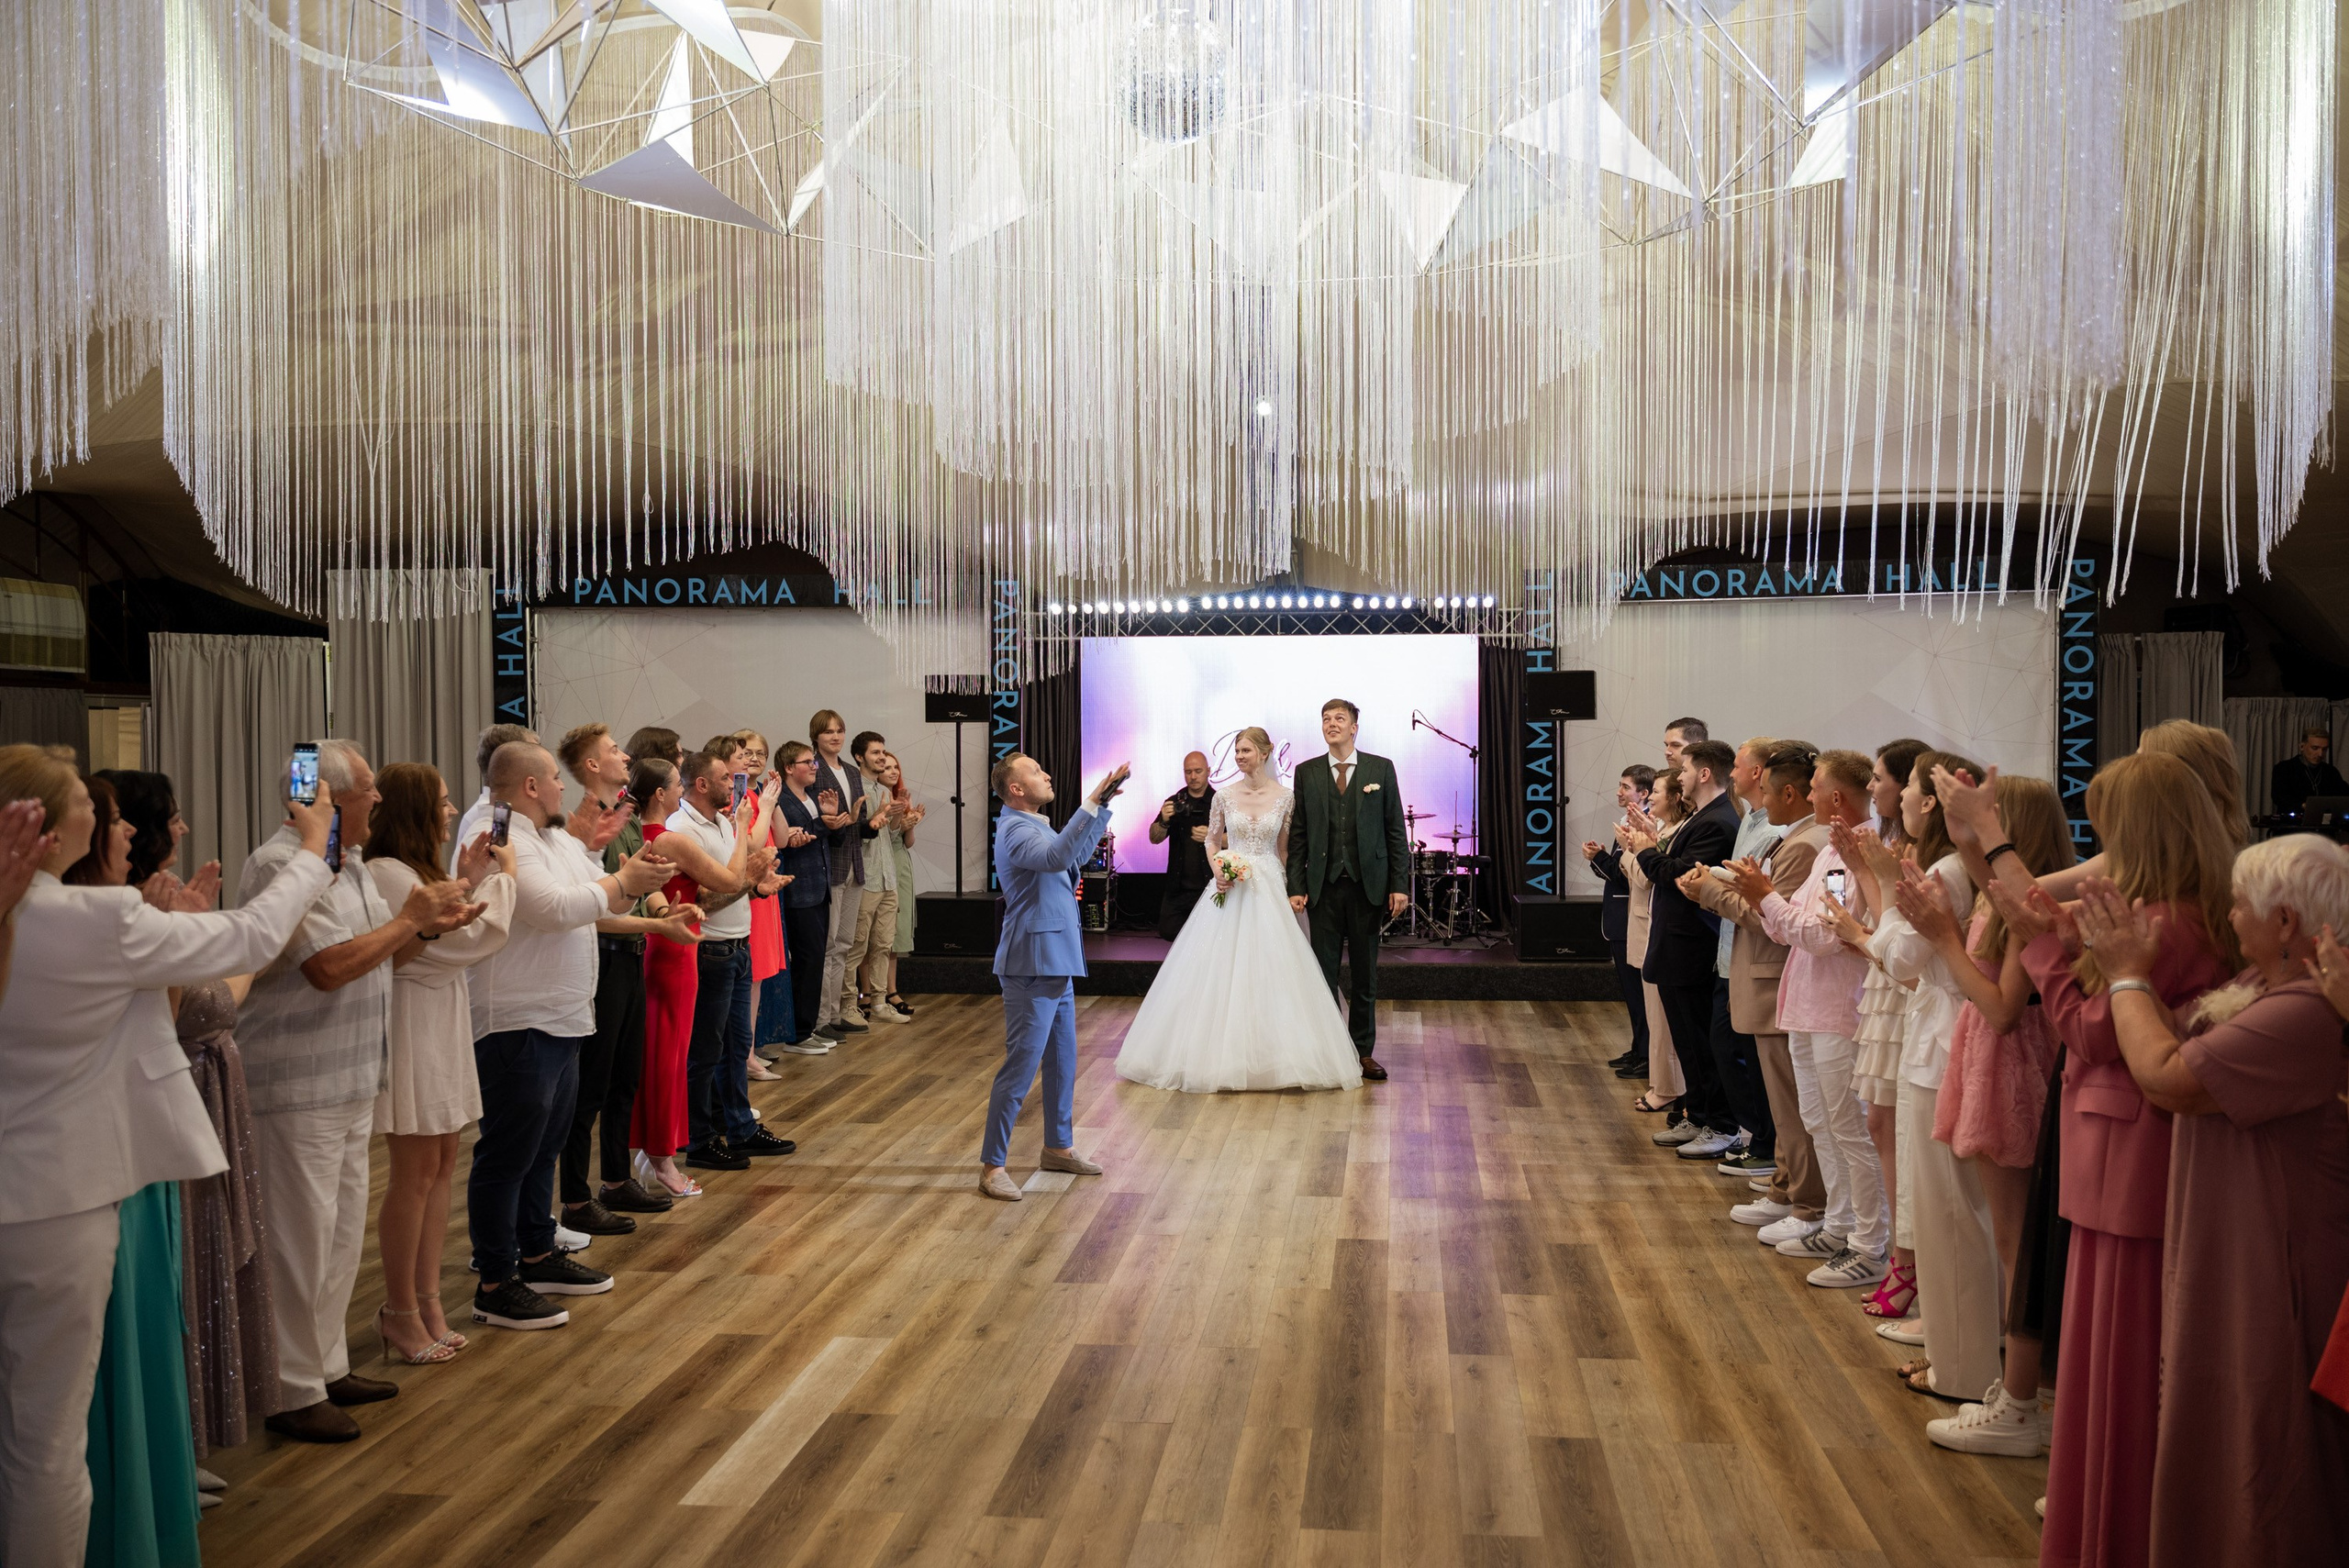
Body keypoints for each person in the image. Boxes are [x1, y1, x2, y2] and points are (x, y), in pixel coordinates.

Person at [0, 745, 333, 1566]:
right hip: (57, 1200)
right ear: (41, 829)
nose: (102, 810)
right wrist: (313, 846)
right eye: (89, 800)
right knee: (45, 1439)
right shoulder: (93, 917)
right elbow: (252, 933)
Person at [1972, 751, 2235, 1568]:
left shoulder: (2171, 922)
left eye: (2109, 824)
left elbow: (2091, 1032)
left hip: (2129, 1157)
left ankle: (2114, 1524)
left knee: (2120, 1359)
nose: (2100, 841)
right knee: (2100, 1358)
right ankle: (2098, 1511)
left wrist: (2041, 948)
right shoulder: (2170, 908)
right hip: (2114, 1154)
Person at [2071, 834, 2349, 1567]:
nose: (2227, 916)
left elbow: (2165, 1075)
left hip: (2271, 1270)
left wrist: (2128, 977)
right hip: (2238, 1253)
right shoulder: (2272, 992)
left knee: (2264, 1443)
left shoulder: (2307, 1010)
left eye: (2239, 903)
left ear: (2285, 922)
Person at [237, 740, 482, 1441]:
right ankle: (290, 1387)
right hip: (296, 1083)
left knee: (340, 1234)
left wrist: (431, 922)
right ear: (328, 799)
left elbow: (386, 954)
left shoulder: (347, 868)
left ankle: (326, 1363)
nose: (377, 798)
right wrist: (410, 920)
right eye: (367, 788)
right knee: (299, 1240)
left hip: (346, 1078)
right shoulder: (283, 864)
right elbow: (326, 967)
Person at [463, 741, 673, 1331]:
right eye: (555, 778)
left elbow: (598, 895)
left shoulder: (550, 836)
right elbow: (553, 908)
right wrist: (623, 882)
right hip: (518, 1017)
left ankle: (536, 1254)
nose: (563, 787)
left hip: (561, 1014)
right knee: (508, 1153)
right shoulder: (496, 832)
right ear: (529, 786)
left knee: (543, 1148)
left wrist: (640, 887)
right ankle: (495, 1278)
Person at [1898, 774, 2073, 1457]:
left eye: (1991, 820)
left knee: (2014, 1245)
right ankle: (2018, 1389)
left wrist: (1942, 938)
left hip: (2007, 1066)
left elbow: (2001, 1007)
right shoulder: (2011, 894)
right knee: (2011, 1240)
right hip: (1989, 1063)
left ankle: (2021, 1396)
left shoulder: (2031, 904)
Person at [1863, 751, 2006, 1400]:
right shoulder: (1949, 865)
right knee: (1949, 1211)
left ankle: (1964, 1369)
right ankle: (1955, 1357)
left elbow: (1900, 957)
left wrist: (1888, 895)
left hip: (1943, 1038)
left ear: (1929, 804)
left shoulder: (1947, 869)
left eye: (1915, 788)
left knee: (1951, 1215)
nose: (1903, 798)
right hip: (1942, 1030)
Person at [362, 763, 516, 1365]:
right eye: (444, 802)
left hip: (440, 1013)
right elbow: (464, 939)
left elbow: (451, 927)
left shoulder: (417, 870)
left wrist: (469, 877)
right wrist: (506, 877)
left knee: (443, 1159)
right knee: (415, 1168)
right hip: (412, 1020)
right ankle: (399, 1308)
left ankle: (426, 1300)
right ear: (414, 810)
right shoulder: (386, 871)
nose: (452, 812)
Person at [1116, 727, 1364, 1094]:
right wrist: (1219, 868)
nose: (1239, 757)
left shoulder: (1285, 797)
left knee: (1276, 967)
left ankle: (1276, 1053)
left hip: (1269, 885)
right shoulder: (1225, 797)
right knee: (1216, 968)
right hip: (1229, 886)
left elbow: (1284, 850)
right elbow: (1213, 840)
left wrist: (1292, 889)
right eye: (1237, 751)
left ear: (1264, 753)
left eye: (1246, 750)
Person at [1730, 749, 1891, 1289]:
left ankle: (1870, 1244)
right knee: (1822, 1123)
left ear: (1836, 797)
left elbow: (1825, 934)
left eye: (1816, 786)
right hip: (1807, 1004)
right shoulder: (1832, 849)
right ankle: (1840, 1224)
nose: (1810, 793)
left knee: (1850, 1129)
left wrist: (1768, 899)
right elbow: (1790, 924)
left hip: (1838, 1010)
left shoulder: (1856, 849)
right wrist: (1772, 901)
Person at [1685, 740, 1829, 1241]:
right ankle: (1788, 1187)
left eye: (1766, 790)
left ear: (1793, 791)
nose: (1762, 801)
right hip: (1764, 977)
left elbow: (1770, 919)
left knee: (1792, 1104)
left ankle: (1808, 1201)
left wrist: (1710, 891)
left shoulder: (1808, 842)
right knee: (1785, 1100)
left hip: (1776, 980)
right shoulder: (1796, 837)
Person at [557, 724, 695, 1229]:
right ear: (592, 766)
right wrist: (653, 916)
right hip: (605, 957)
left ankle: (616, 1179)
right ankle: (574, 1196)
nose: (625, 754)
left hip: (630, 953)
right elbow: (600, 904)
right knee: (590, 1086)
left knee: (623, 1078)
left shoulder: (627, 818)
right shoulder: (584, 825)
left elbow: (643, 884)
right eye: (614, 750)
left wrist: (664, 914)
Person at [979, 752, 1128, 1200]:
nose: (1048, 773)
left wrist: (1100, 808)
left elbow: (1073, 856)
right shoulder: (1015, 829)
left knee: (1062, 1061)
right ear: (1017, 789)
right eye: (1037, 771)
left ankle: (1058, 1148)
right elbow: (1058, 855)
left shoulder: (1037, 825)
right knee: (1021, 1066)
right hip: (1031, 962)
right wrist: (1088, 803)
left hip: (1055, 959)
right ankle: (992, 1166)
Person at [664, 746, 787, 1172]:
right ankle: (700, 1139)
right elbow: (703, 900)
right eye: (724, 779)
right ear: (701, 784)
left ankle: (739, 1127)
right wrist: (747, 880)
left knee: (735, 1048)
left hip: (737, 944)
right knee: (706, 1052)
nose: (734, 785)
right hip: (711, 949)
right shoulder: (682, 829)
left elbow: (733, 886)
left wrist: (756, 888)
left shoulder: (722, 820)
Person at [1286, 698, 1411, 1080]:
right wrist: (1295, 883)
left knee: (1364, 976)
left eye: (1339, 718)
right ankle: (1325, 1051)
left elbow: (1395, 832)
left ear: (1354, 727)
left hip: (1367, 889)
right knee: (1322, 974)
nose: (1331, 724)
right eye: (1325, 719)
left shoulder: (1380, 769)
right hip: (1322, 888)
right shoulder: (1307, 773)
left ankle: (1362, 1053)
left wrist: (1399, 885)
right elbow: (1300, 836)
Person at [1628, 739, 1742, 1151]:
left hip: (1693, 944)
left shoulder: (1717, 820)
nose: (1680, 775)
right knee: (1688, 1041)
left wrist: (1645, 850)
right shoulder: (1705, 816)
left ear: (1704, 773)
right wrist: (1653, 847)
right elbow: (1674, 867)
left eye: (1686, 768)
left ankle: (1719, 1123)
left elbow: (1677, 875)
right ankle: (1697, 1113)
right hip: (1677, 942)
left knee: (1700, 1042)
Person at [1698, 737, 1790, 1174]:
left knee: (1755, 1061)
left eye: (1737, 765)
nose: (1730, 773)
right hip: (1731, 953)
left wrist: (1709, 888)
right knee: (1734, 1051)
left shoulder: (1778, 831)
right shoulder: (1752, 819)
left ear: (1758, 772)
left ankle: (1766, 1148)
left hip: (1757, 958)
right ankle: (1761, 1142)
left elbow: (1762, 905)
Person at [625, 759, 706, 1198]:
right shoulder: (665, 839)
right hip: (670, 950)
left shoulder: (649, 836)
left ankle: (654, 1151)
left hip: (676, 943)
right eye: (678, 784)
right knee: (665, 1058)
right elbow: (726, 877)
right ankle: (661, 1157)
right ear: (660, 793)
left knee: (668, 1055)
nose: (682, 790)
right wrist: (755, 818)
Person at [1585, 763, 1656, 1078]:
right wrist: (1599, 858)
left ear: (1644, 794)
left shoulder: (1643, 826)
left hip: (1632, 916)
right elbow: (1616, 871)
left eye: (1625, 787)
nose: (1619, 791)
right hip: (1619, 915)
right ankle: (1638, 1047)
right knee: (1630, 993)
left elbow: (1627, 875)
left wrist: (1600, 859)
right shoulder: (1627, 821)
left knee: (1639, 993)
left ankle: (1646, 1054)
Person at [808, 709, 875, 1041]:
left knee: (845, 942)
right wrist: (845, 821)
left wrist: (870, 822)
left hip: (853, 861)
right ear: (816, 736)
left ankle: (835, 1012)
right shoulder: (814, 770)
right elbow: (824, 821)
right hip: (830, 862)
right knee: (830, 942)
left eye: (839, 731)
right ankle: (822, 1017)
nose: (835, 736)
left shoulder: (850, 770)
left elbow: (855, 819)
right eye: (828, 732)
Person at [1623, 771, 1685, 1118]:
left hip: (1662, 930)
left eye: (1658, 792)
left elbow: (1646, 877)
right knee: (1656, 1016)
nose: (1652, 800)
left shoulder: (1677, 831)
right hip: (1652, 924)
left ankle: (1668, 1087)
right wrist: (1634, 846)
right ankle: (1663, 1084)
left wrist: (1633, 849)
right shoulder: (1663, 831)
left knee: (1664, 1022)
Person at [770, 742, 837, 1049]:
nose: (814, 766)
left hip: (819, 886)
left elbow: (818, 834)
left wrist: (830, 820)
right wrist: (822, 823)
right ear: (788, 768)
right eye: (807, 762)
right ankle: (797, 1033)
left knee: (815, 959)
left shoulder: (810, 796)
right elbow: (788, 841)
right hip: (798, 889)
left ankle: (807, 1027)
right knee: (806, 960)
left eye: (814, 762)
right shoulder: (780, 798)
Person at [841, 730, 909, 1024]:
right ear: (859, 757)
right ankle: (848, 1004)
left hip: (887, 877)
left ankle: (881, 1001)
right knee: (857, 944)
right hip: (865, 876)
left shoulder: (883, 790)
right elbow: (854, 834)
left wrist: (900, 820)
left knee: (883, 943)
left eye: (883, 752)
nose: (882, 757)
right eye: (875, 753)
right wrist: (874, 820)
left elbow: (888, 836)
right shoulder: (853, 789)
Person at [860, 751, 922, 1021]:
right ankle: (867, 993)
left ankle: (889, 991)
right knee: (866, 936)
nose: (893, 771)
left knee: (891, 936)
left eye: (896, 767)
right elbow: (874, 833)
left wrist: (909, 822)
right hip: (877, 868)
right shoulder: (874, 795)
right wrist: (898, 821)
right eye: (887, 767)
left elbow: (906, 841)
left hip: (898, 868)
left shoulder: (895, 798)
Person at [1151, 751, 1218, 940]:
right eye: (1188, 772)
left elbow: (1238, 839)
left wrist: (1212, 836)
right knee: (1168, 932)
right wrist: (1164, 821)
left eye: (1198, 771)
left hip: (1210, 885)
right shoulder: (1174, 801)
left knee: (1211, 936)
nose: (1193, 776)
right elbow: (1154, 838)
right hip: (1178, 886)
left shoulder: (1220, 801)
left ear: (1208, 771)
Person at [2272, 727, 2345, 817]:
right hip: (2292, 827)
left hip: (2324, 828)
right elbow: (2279, 797)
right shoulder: (2284, 768)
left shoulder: (2331, 772)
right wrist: (2304, 806)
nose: (2320, 754)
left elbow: (2344, 795)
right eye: (2315, 748)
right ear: (2302, 746)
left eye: (2324, 749)